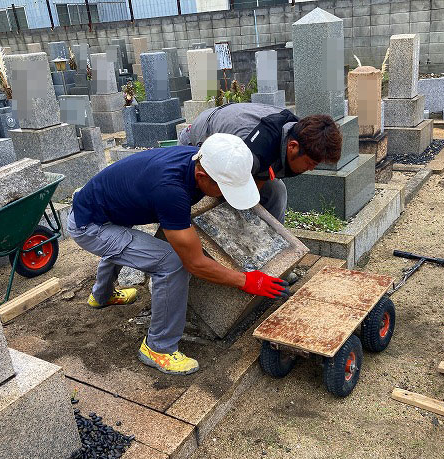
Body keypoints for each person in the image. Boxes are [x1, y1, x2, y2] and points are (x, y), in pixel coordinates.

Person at [67, 133, 289, 376]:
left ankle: (101, 296)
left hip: (106, 210)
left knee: (130, 244)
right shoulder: (170, 190)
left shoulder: (196, 159)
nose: (226, 195)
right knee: (171, 262)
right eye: (224, 189)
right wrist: (247, 280)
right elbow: (194, 263)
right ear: (203, 176)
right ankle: (158, 347)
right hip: (89, 227)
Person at [178, 103, 343, 223]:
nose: (312, 169)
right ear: (293, 147)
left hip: (245, 148)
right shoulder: (249, 150)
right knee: (206, 197)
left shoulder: (299, 132)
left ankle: (274, 245)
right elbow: (239, 185)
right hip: (200, 142)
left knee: (276, 192)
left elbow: (265, 173)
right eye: (310, 163)